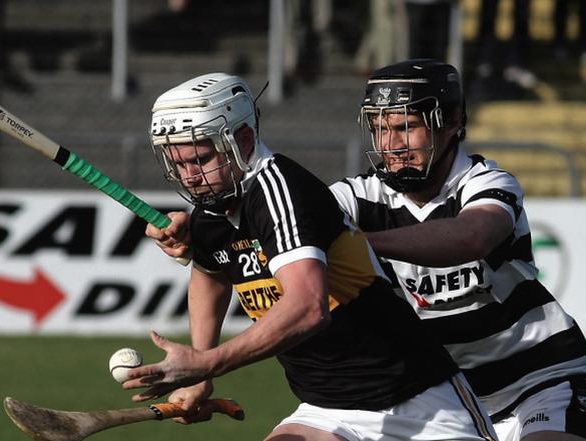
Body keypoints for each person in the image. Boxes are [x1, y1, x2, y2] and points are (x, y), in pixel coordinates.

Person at [146, 61, 586, 441]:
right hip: (409, 385)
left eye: (406, 127)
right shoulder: (354, 195)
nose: (390, 145)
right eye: (380, 129)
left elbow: (470, 237)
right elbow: (279, 219)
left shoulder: (485, 182)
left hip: (537, 382)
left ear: (452, 123)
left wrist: (344, 244)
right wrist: (208, 231)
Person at [129, 72, 498, 441]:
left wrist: (207, 363)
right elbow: (211, 273)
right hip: (326, 411)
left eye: (201, 159)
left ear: (241, 140)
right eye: (179, 165)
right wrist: (202, 377)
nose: (191, 177)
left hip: (419, 402)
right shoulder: (212, 207)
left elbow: (308, 308)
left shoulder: (281, 191)